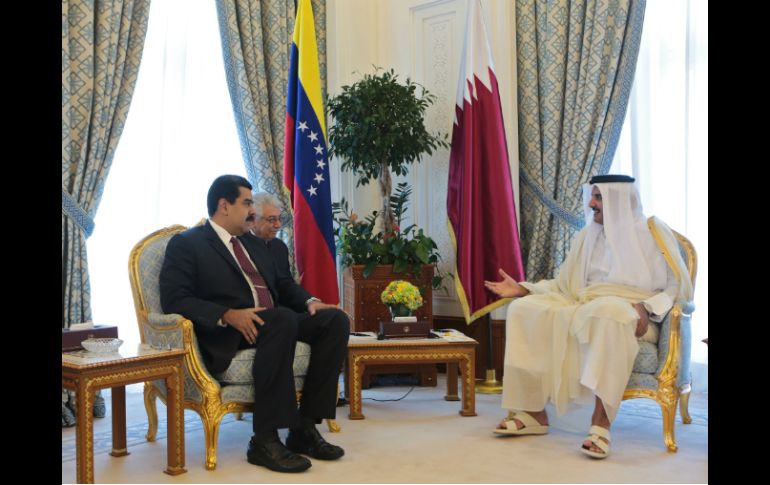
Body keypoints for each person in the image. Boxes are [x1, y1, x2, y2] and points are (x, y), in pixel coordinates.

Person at [484, 174, 692, 459]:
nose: (591, 204)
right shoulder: (587, 236)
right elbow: (564, 286)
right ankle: (533, 414)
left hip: (636, 315)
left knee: (609, 313)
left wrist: (646, 306)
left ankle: (600, 425)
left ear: (619, 200)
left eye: (599, 198)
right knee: (526, 309)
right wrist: (523, 289)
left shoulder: (652, 233)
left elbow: (675, 287)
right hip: (587, 305)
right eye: (591, 196)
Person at [159, 175, 349, 473]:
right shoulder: (188, 244)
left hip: (275, 322)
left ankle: (304, 427)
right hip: (232, 331)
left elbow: (284, 286)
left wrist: (310, 302)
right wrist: (227, 314)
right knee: (282, 319)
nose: (252, 209)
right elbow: (174, 300)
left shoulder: (255, 244)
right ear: (224, 205)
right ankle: (264, 439)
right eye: (247, 202)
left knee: (335, 320)